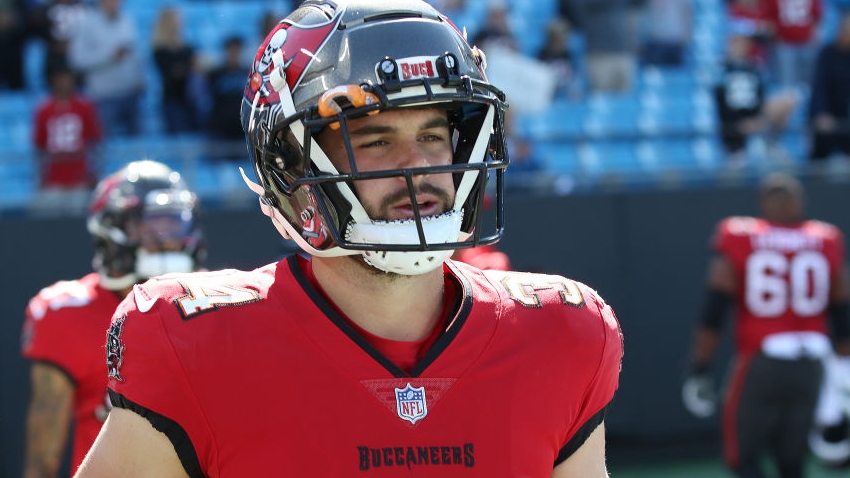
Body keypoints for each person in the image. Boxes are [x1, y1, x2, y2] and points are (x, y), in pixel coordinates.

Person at [74, 1, 624, 476]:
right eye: (376, 141)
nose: (420, 166)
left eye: (433, 134)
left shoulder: (564, 331)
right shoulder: (190, 341)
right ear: (290, 167)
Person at [20, 159, 205, 478]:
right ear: (111, 229)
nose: (164, 237)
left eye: (173, 222)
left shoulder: (213, 302)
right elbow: (42, 461)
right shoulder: (67, 311)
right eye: (146, 224)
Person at [682, 172, 850, 478]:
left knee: (741, 459)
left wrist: (700, 367)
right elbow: (842, 310)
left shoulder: (741, 234)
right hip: (812, 362)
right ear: (799, 201)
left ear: (764, 203)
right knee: (793, 462)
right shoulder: (826, 238)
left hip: (762, 359)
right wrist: (843, 369)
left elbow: (715, 309)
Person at [713, 29, 796, 165]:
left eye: (746, 43)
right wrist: (738, 123)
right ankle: (739, 150)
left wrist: (756, 120)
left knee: (788, 99)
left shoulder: (753, 67)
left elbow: (759, 96)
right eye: (739, 42)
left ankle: (772, 145)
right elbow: (720, 102)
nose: (743, 46)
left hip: (756, 118)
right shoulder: (721, 68)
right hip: (733, 125)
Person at [67, 0, 145, 138]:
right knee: (103, 145)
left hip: (131, 94)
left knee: (137, 149)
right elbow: (76, 60)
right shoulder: (86, 23)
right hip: (103, 98)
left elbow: (135, 53)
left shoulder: (127, 20)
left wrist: (140, 77)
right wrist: (110, 56)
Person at [31, 66, 102, 213]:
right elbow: (39, 144)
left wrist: (93, 171)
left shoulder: (84, 106)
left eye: (67, 78)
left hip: (79, 175)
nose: (64, 83)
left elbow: (94, 140)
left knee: (79, 215)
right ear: (53, 81)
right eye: (60, 79)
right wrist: (41, 175)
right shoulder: (44, 109)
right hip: (53, 177)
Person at [807, 12, 850, 162]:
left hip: (845, 116)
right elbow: (819, 86)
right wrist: (821, 113)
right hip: (826, 114)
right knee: (822, 140)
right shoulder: (827, 53)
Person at [151, 6, 200, 135]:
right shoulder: (160, 51)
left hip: (189, 99)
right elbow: (172, 72)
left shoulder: (187, 47)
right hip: (172, 100)